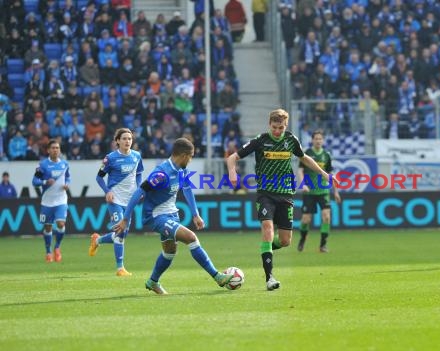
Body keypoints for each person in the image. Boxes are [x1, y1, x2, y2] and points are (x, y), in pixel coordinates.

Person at [226, 109, 338, 291]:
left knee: (285, 241)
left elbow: (305, 158)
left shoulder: (291, 140)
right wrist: (232, 172)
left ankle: (266, 249)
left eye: (281, 127)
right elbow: (233, 157)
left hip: (286, 194)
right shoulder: (260, 140)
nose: (277, 131)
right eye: (274, 127)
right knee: (268, 228)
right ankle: (269, 277)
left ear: (286, 126)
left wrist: (324, 174)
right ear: (269, 125)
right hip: (266, 193)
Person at [113, 138, 233, 295]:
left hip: (171, 214)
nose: (190, 160)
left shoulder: (181, 171)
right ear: (184, 155)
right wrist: (125, 218)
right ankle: (217, 276)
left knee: (170, 251)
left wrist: (195, 214)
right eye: (191, 157)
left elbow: (187, 189)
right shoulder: (161, 173)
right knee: (191, 237)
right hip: (157, 216)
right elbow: (139, 192)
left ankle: (152, 282)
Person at [88, 128, 144, 276]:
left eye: (130, 139)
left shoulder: (137, 156)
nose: (127, 141)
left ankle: (98, 240)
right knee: (120, 231)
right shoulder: (110, 158)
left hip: (130, 200)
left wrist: (139, 189)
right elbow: (99, 177)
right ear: (117, 141)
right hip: (115, 199)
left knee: (123, 234)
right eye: (124, 139)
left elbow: (138, 174)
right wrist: (108, 191)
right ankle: (120, 268)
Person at [296, 130, 341, 253]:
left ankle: (323, 245)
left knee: (326, 217)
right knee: (306, 219)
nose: (318, 141)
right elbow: (300, 170)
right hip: (309, 191)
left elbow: (330, 174)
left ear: (323, 140)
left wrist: (336, 192)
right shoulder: (307, 154)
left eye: (320, 139)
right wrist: (303, 184)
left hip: (323, 191)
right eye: (316, 138)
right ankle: (302, 239)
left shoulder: (326, 155)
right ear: (312, 140)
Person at [32, 140, 70, 263]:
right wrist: (44, 182)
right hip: (47, 201)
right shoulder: (42, 165)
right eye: (53, 148)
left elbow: (68, 177)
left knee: (60, 224)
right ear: (48, 150)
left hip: (61, 199)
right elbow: (34, 181)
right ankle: (48, 252)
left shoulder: (64, 164)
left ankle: (57, 248)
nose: (55, 150)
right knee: (48, 227)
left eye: (57, 148)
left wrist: (67, 184)